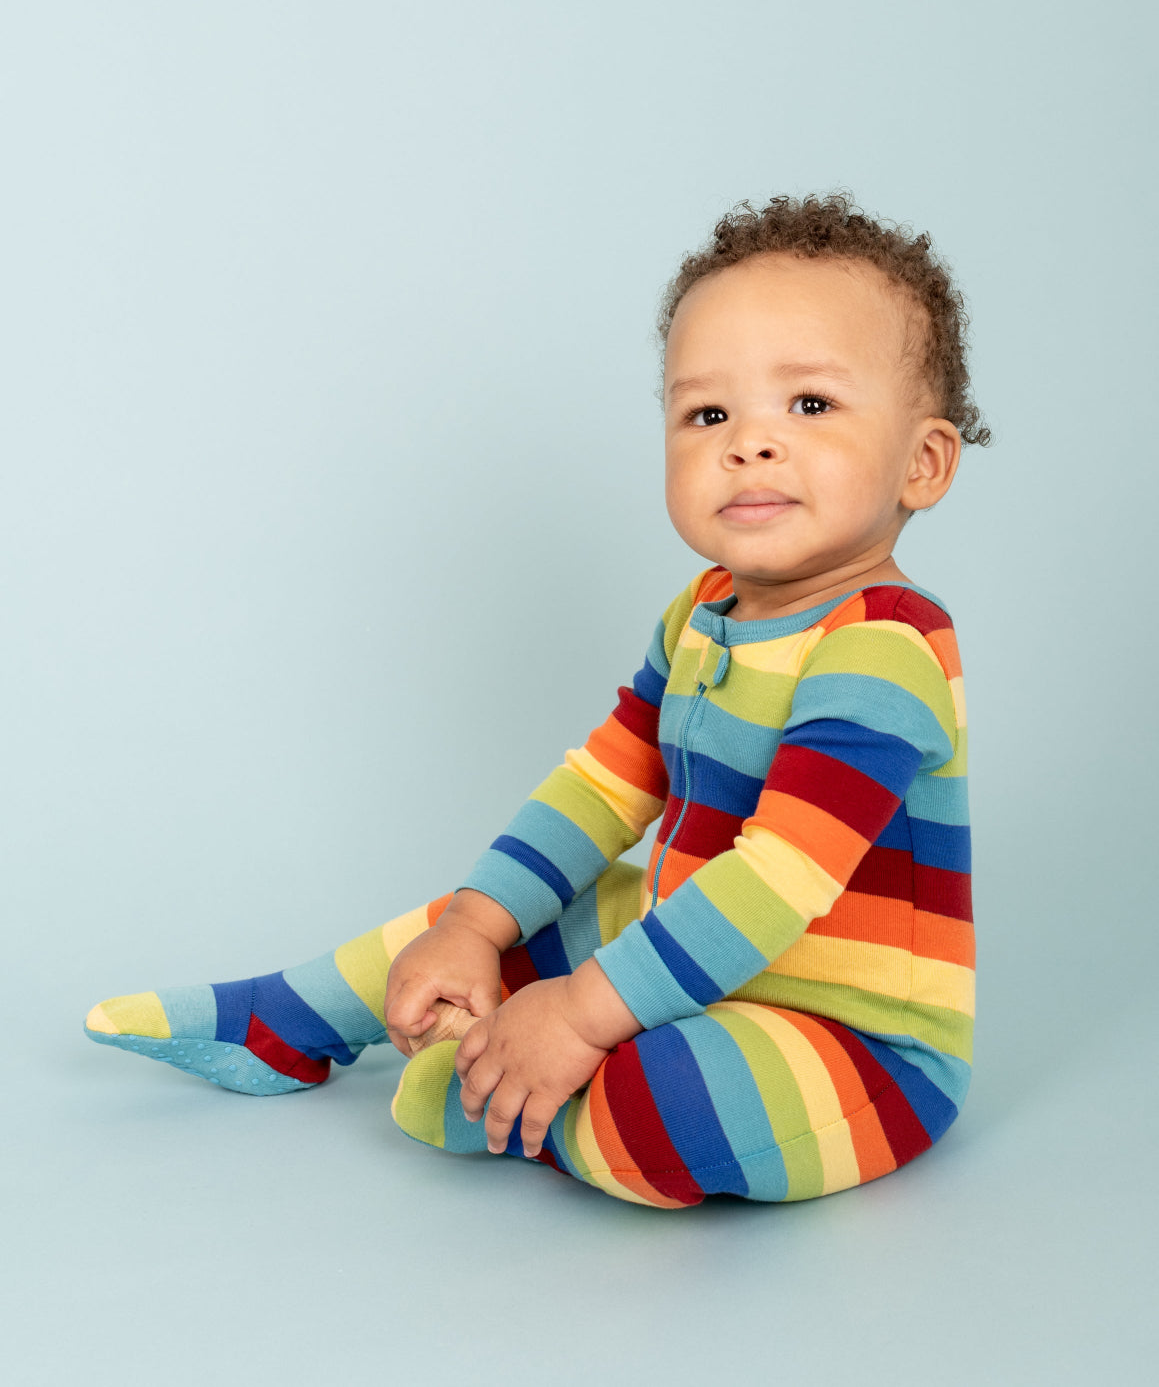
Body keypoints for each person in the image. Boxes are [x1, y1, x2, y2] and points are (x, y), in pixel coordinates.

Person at [84, 192, 990, 1209]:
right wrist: (474, 924)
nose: (750, 444)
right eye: (707, 413)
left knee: (664, 1113)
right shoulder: (701, 614)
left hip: (847, 1040)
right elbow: (603, 788)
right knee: (520, 919)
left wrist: (582, 1014)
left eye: (809, 405)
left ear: (923, 463)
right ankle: (294, 1017)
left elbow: (773, 884)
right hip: (682, 954)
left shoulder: (885, 647)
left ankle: (487, 1086)